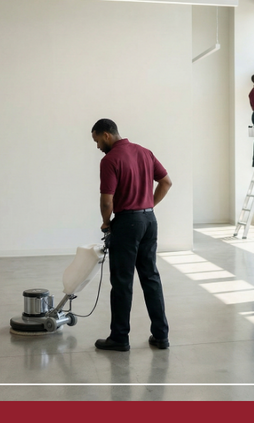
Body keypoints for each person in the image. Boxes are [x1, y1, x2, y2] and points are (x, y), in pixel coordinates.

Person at [91, 118, 172, 351]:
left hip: (127, 224)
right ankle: (161, 336)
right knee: (151, 277)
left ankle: (119, 337)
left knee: (122, 281)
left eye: (97, 140)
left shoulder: (110, 160)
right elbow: (166, 182)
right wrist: (148, 206)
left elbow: (107, 200)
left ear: (106, 134)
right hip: (149, 221)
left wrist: (106, 223)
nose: (97, 146)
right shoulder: (144, 152)